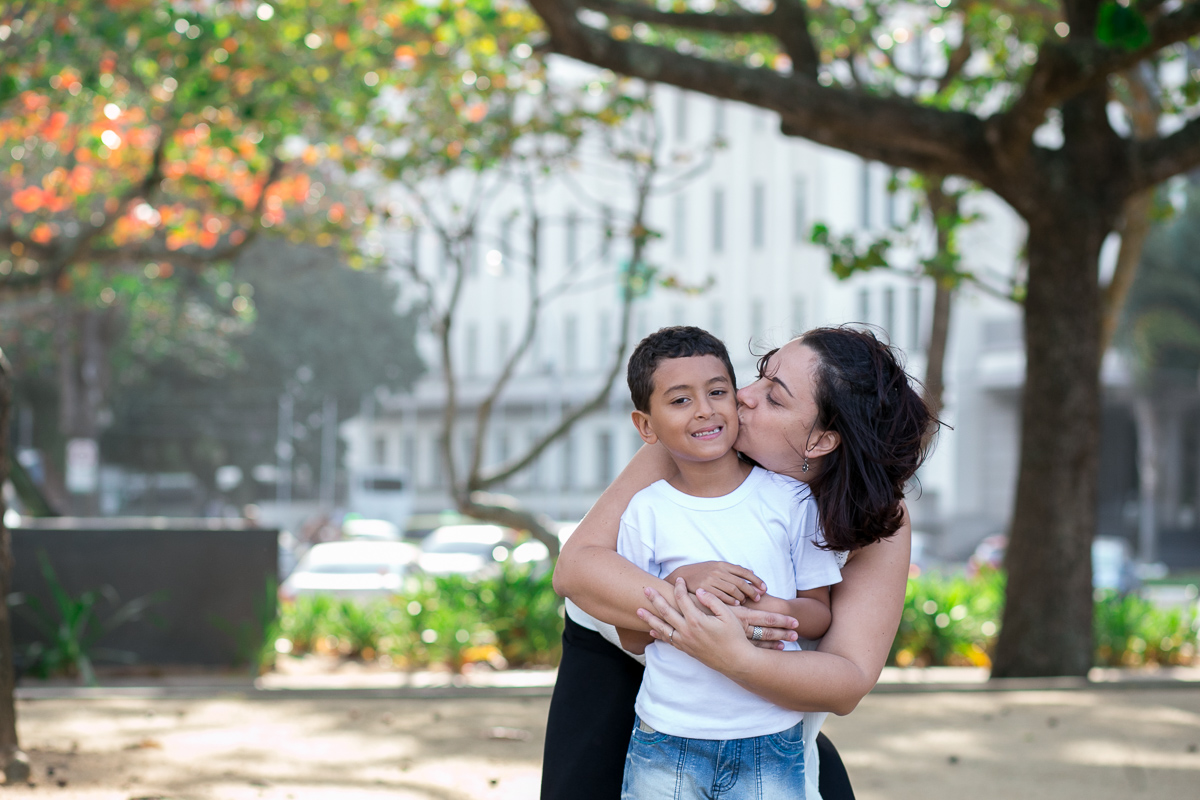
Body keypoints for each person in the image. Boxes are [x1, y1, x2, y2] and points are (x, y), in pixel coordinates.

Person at [541, 326, 935, 800]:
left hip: (759, 694)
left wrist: (734, 653)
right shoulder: (692, 449)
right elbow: (577, 567)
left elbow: (847, 678)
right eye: (759, 375)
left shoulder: (877, 520)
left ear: (819, 442)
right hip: (619, 654)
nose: (740, 396)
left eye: (774, 396)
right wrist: (691, 604)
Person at [608, 327, 841, 797]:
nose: (705, 410)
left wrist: (766, 611)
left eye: (717, 392)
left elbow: (819, 615)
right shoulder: (644, 512)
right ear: (646, 426)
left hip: (770, 736)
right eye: (679, 400)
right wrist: (679, 585)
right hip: (667, 737)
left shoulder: (792, 501)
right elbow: (631, 637)